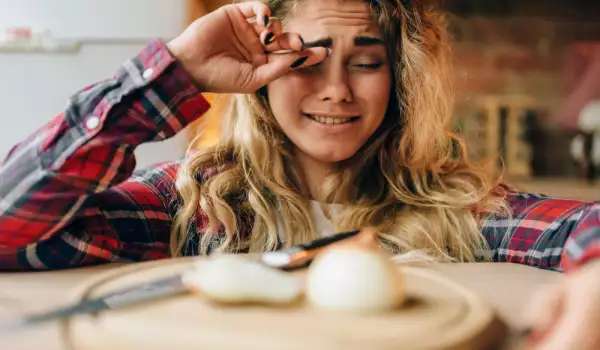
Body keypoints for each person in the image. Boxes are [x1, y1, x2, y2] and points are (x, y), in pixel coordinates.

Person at [0, 0, 598, 348]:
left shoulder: (453, 206)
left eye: (366, 63)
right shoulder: (190, 201)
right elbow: (10, 227)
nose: (336, 91)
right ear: (261, 73)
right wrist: (172, 73)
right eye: (307, 62)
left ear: (400, 82)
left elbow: (579, 223)